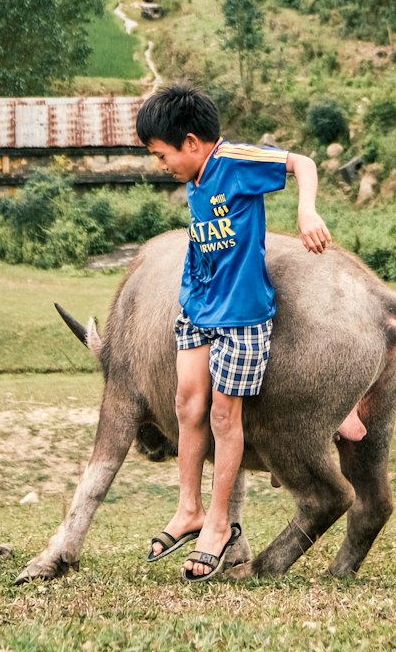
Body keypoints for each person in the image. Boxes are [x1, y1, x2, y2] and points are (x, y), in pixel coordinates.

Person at [136, 83, 365, 583]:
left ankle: (219, 524)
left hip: (242, 316)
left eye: (163, 154)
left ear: (192, 142)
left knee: (223, 415)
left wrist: (307, 210)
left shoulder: (237, 160)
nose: (162, 165)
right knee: (186, 405)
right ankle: (189, 509)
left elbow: (303, 162)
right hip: (197, 306)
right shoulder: (195, 175)